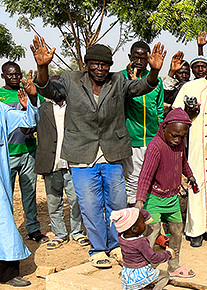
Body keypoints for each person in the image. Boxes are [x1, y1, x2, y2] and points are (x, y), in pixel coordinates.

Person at [33, 36, 165, 269]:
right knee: (90, 204)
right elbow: (47, 90)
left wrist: (153, 72)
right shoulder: (70, 80)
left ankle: (116, 245)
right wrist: (42, 66)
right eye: (95, 64)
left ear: (110, 66)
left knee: (117, 203)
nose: (100, 68)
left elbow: (141, 87)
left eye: (104, 64)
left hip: (112, 152)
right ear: (86, 64)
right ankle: (98, 249)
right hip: (81, 154)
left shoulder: (118, 81)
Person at [172, 53, 207, 247]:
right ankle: (195, 229)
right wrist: (190, 113)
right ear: (206, 68)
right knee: (195, 183)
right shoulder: (190, 87)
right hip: (196, 145)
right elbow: (175, 113)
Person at [135, 108, 197, 278]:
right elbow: (145, 175)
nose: (177, 140)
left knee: (177, 231)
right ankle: (147, 269)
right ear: (164, 128)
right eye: (174, 135)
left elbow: (183, 162)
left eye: (182, 136)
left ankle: (173, 265)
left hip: (172, 198)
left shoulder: (180, 144)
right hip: (154, 198)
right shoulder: (156, 146)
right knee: (152, 233)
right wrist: (140, 200)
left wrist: (190, 176)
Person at [34, 76, 88, 250]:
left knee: (75, 201)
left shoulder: (75, 107)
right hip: (51, 164)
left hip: (72, 163)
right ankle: (60, 235)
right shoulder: (41, 108)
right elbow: (26, 128)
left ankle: (77, 233)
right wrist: (28, 107)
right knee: (53, 202)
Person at [0, 62, 45, 243]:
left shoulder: (29, 93)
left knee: (29, 193)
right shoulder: (0, 96)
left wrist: (30, 103)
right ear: (3, 76)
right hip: (7, 155)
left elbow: (36, 119)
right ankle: (8, 232)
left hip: (28, 152)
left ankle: (33, 229)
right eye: (10, 74)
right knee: (6, 195)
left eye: (17, 74)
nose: (15, 77)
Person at [0, 87, 39, 287]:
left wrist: (28, 105)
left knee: (3, 220)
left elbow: (29, 121)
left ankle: (7, 273)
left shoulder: (1, 109)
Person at [112, 207, 173, 290]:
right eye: (143, 223)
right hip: (142, 272)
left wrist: (140, 214)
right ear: (134, 229)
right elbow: (153, 258)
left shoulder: (121, 237)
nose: (145, 224)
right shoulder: (141, 241)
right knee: (164, 276)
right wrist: (168, 255)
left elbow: (139, 216)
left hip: (128, 275)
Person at [124, 41, 165, 206]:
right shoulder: (121, 77)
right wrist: (131, 82)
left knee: (152, 178)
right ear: (129, 57)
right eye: (136, 57)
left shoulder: (157, 81)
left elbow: (160, 110)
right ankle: (134, 218)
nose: (139, 61)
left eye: (143, 58)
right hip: (131, 139)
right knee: (134, 180)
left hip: (152, 139)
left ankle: (150, 215)